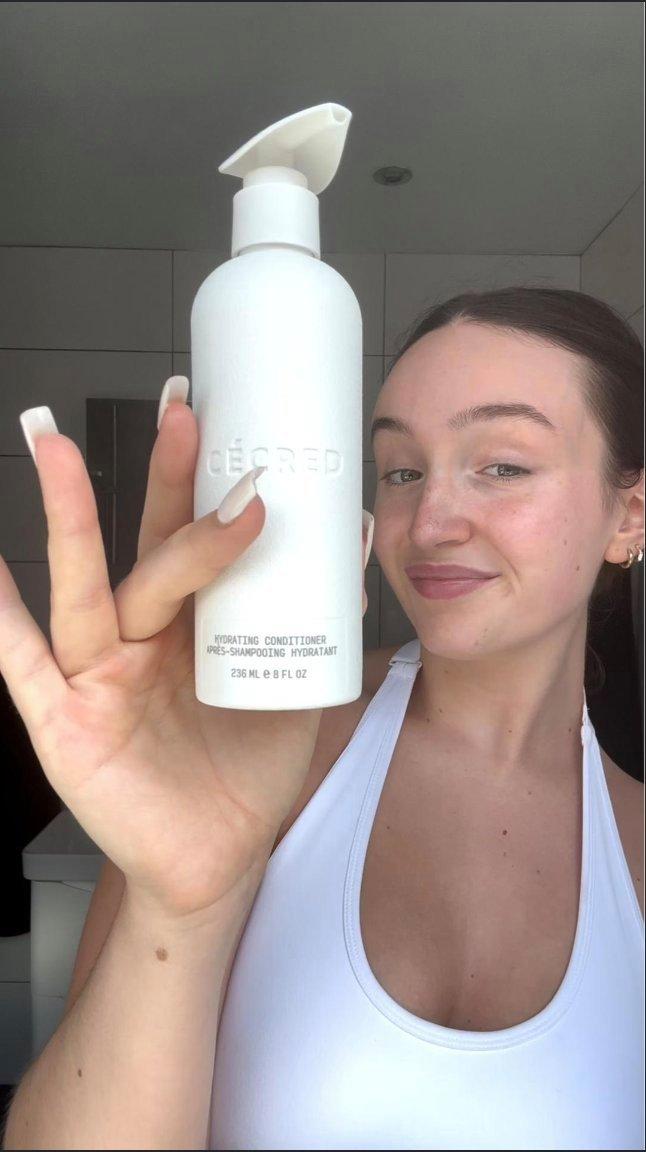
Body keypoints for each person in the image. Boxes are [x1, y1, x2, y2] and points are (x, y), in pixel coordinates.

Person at [1, 287, 643, 1150]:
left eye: (502, 466)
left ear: (628, 514)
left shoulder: (637, 850)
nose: (429, 524)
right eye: (401, 471)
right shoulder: (257, 749)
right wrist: (179, 909)